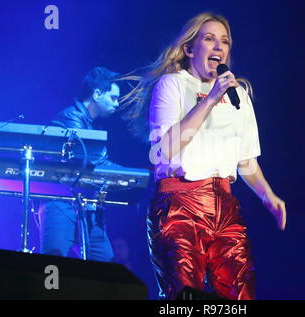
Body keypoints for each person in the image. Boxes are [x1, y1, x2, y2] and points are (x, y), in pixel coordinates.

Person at [122, 13, 286, 300]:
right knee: (185, 297)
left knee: (240, 295)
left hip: (225, 205)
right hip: (179, 204)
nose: (218, 47)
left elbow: (245, 160)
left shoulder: (239, 96)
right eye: (209, 39)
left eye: (224, 41)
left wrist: (267, 195)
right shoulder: (172, 85)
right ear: (189, 49)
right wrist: (210, 99)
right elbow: (168, 148)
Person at [39, 67, 120, 262]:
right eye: (114, 97)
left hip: (85, 206)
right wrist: (132, 175)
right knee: (54, 262)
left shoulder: (92, 124)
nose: (117, 104)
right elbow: (92, 161)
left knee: (106, 261)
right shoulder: (70, 118)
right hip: (60, 202)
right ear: (97, 94)